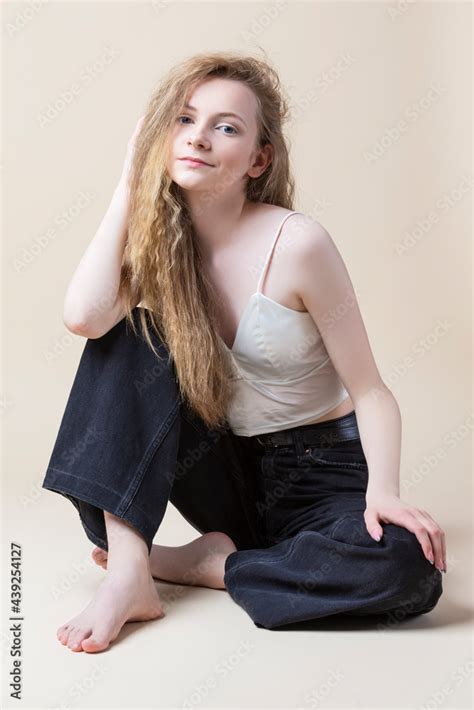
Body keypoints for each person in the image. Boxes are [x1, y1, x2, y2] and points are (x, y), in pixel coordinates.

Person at [42, 51, 445, 654]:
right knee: (127, 336)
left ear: (259, 159)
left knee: (403, 568)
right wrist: (131, 179)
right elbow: (84, 317)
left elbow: (371, 391)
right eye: (183, 120)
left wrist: (382, 491)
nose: (199, 137)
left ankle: (207, 566)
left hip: (322, 477)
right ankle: (131, 573)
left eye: (226, 126)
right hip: (223, 471)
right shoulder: (160, 251)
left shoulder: (298, 244)